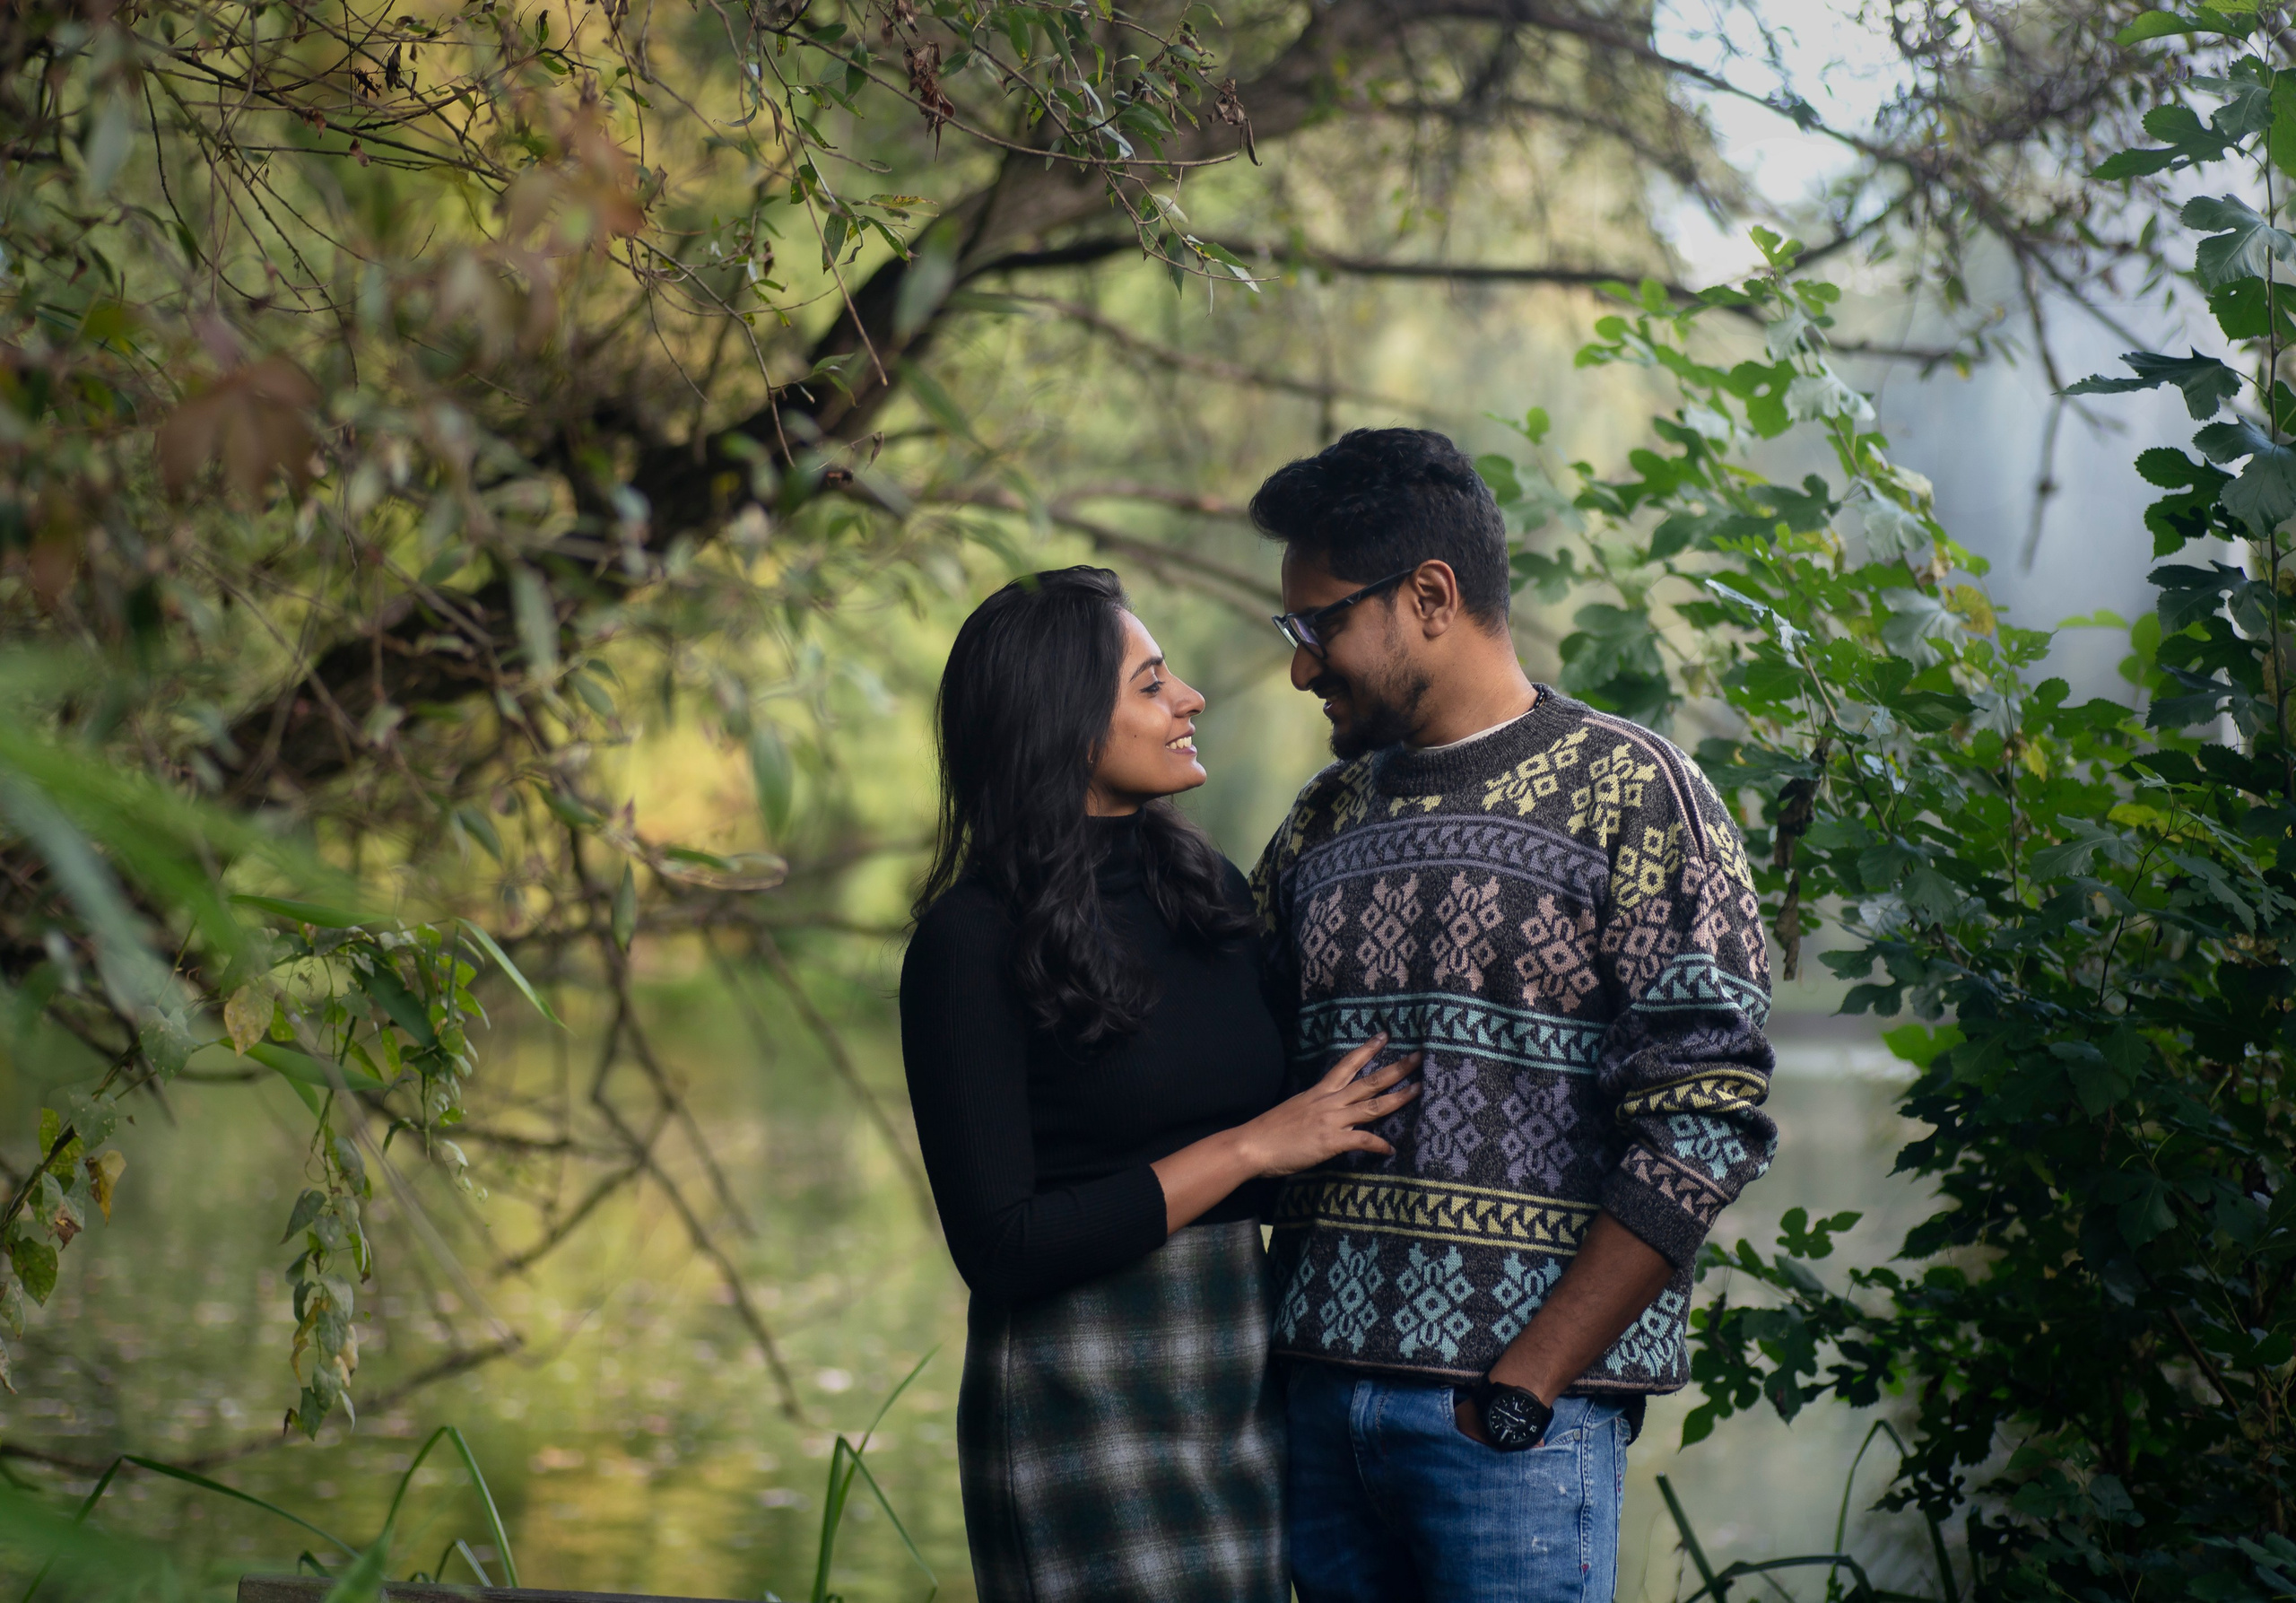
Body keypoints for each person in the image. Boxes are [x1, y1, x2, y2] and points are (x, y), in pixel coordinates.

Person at [1247, 430, 1779, 1603]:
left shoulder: (1638, 794)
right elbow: (1229, 1070)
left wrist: (1527, 1380)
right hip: (1315, 1420)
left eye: (1318, 623)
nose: (1301, 666)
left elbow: (1708, 1117)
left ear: (1430, 596)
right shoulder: (1317, 823)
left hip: (1510, 1435)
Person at [900, 565, 1423, 1603]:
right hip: (1076, 1383)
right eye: (1150, 684)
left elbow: (1291, 1135)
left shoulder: (1207, 891)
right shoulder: (970, 941)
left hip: (1238, 1369)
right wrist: (1249, 1146)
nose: (1189, 698)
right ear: (1058, 720)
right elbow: (999, 1246)